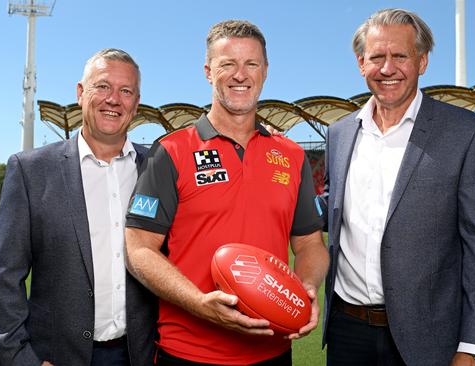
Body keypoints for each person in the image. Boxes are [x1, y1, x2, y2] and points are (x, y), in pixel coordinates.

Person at [124, 20, 329, 366]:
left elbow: (310, 244)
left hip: (272, 352)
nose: (240, 75)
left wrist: (306, 287)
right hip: (187, 353)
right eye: (227, 64)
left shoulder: (292, 156)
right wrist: (198, 303)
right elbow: (139, 250)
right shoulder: (171, 151)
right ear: (208, 71)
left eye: (251, 64)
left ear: (265, 72)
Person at [321, 9, 475, 366]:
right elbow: (331, 205)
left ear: (422, 61)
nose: (387, 68)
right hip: (347, 331)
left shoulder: (467, 133)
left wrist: (474, 347)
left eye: (400, 56)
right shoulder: (339, 134)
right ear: (361, 63)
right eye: (376, 57)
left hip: (428, 337)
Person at [0, 48, 157, 366]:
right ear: (81, 93)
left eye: (126, 91)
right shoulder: (31, 171)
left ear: (136, 103)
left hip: (141, 355)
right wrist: (21, 359)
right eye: (103, 86)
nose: (113, 99)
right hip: (58, 357)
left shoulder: (158, 167)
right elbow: (5, 277)